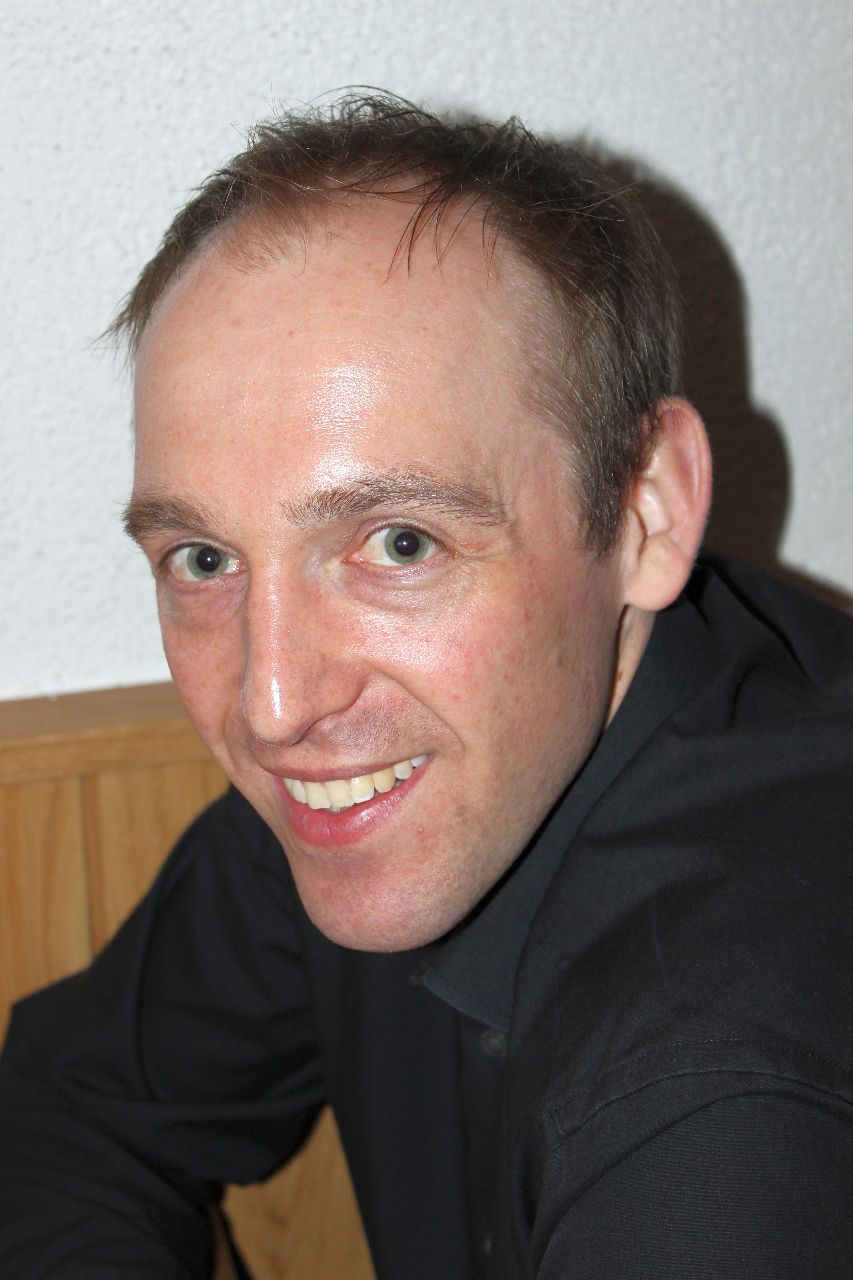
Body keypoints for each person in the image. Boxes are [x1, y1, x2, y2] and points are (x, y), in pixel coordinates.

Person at [1, 92, 851, 1279]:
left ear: (644, 511)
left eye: (399, 542)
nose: (272, 704)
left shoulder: (726, 1126)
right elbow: (70, 1109)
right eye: (201, 559)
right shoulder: (369, 779)